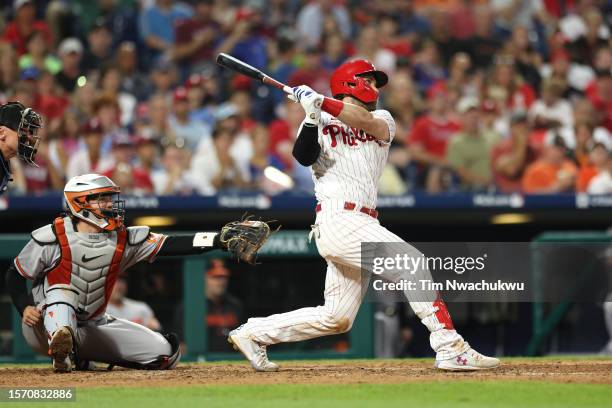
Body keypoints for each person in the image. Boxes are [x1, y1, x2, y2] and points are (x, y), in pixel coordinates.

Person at [228, 59, 499, 372]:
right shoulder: (319, 120)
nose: (374, 88)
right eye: (368, 81)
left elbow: (364, 123)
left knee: (337, 318)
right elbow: (303, 157)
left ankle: (253, 333)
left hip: (364, 220)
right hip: (338, 219)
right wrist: (312, 114)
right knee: (411, 264)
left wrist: (321, 102)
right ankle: (450, 346)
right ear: (349, 83)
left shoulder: (382, 118)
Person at [5, 173, 271, 372]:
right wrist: (24, 306)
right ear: (80, 203)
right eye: (102, 199)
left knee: (165, 354)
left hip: (92, 324)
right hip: (43, 327)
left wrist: (218, 240)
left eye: (110, 198)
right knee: (63, 292)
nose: (110, 204)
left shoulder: (122, 238)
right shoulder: (52, 236)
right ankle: (62, 352)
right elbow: (15, 274)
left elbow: (171, 244)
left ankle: (78, 355)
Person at [0, 101, 43, 193]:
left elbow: (20, 192)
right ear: (2, 133)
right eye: (23, 131)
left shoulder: (6, 161)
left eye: (30, 132)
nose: (29, 137)